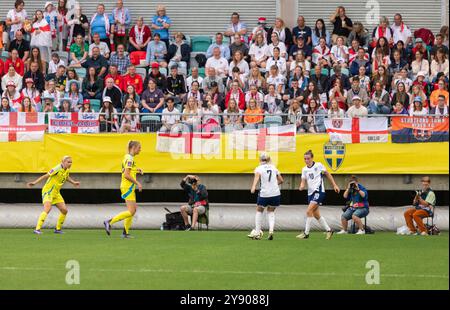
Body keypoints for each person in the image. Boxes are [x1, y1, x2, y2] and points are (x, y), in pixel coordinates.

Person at [27, 156, 80, 234]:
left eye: (71, 162)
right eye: (68, 162)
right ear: (63, 162)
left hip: (56, 193)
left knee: (64, 210)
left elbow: (66, 177)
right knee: (48, 208)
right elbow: (45, 176)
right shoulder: (56, 169)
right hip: (48, 191)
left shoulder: (67, 170)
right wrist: (34, 182)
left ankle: (57, 229)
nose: (70, 164)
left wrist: (74, 182)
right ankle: (37, 229)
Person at [297, 150, 340, 240]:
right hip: (310, 193)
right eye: (305, 159)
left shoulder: (318, 165)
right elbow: (303, 181)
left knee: (308, 211)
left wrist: (334, 185)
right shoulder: (304, 169)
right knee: (316, 215)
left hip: (319, 192)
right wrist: (301, 186)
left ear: (312, 158)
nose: (306, 160)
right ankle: (329, 230)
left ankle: (306, 233)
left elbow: (328, 174)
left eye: (308, 158)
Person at [104, 141, 143, 238]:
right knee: (131, 211)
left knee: (133, 210)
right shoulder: (129, 158)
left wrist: (137, 170)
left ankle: (125, 232)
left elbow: (127, 170)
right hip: (127, 187)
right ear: (133, 147)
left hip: (128, 186)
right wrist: (137, 183)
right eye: (139, 147)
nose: (140, 149)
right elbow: (126, 174)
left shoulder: (128, 157)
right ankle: (109, 222)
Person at [248, 153, 283, 241]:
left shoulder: (259, 168)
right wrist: (273, 185)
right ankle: (271, 231)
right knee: (271, 211)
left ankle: (257, 232)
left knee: (259, 210)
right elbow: (281, 180)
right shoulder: (274, 167)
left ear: (260, 160)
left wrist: (253, 187)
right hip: (275, 193)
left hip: (264, 193)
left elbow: (256, 178)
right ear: (268, 160)